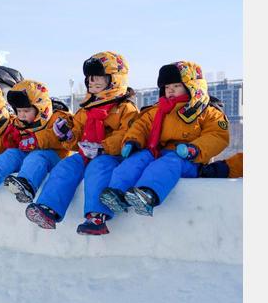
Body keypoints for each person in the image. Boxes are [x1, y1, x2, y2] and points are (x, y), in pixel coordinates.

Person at [24, 51, 139, 235]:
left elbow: (127, 134)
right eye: (89, 78)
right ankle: (48, 208)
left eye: (97, 77)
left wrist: (103, 147)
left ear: (115, 79)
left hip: (111, 156)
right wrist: (66, 135)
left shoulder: (125, 108)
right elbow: (77, 134)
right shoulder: (87, 109)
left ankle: (96, 216)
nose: (91, 81)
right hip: (86, 154)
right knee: (66, 166)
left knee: (98, 169)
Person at [98, 61, 230, 217]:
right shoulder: (158, 110)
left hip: (188, 159)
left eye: (176, 86)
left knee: (168, 163)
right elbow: (141, 126)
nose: (171, 90)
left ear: (192, 87)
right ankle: (117, 191)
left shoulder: (207, 112)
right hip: (157, 152)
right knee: (139, 158)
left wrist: (195, 148)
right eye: (167, 87)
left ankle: (148, 193)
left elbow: (216, 135)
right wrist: (132, 140)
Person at [0, 80, 74, 202]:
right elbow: (7, 142)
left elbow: (59, 135)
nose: (22, 115)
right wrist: (11, 139)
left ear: (40, 108)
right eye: (18, 111)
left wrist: (36, 140)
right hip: (28, 154)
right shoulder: (18, 123)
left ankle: (26, 184)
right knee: (11, 153)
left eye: (26, 111)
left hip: (54, 156)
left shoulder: (58, 117)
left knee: (37, 156)